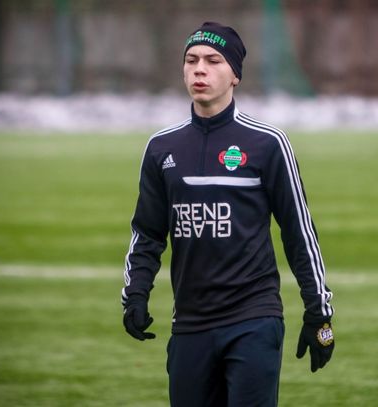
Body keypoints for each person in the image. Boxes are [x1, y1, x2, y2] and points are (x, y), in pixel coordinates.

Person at [121, 22, 334, 407]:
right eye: (191, 60)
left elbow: (298, 232)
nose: (199, 69)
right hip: (189, 323)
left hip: (254, 319)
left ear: (235, 74)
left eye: (213, 60)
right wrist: (136, 294)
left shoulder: (268, 144)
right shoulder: (161, 148)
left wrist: (318, 311)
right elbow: (148, 233)